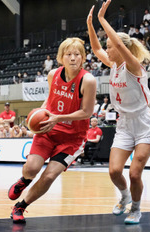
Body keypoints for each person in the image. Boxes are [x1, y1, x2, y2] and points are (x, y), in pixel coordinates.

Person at [87, 0, 150, 224]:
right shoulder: (114, 66)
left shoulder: (134, 67)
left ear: (121, 48)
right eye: (108, 47)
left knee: (134, 173)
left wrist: (102, 20)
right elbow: (95, 48)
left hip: (144, 123)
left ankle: (136, 208)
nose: (107, 50)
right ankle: (125, 196)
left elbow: (118, 46)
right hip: (124, 124)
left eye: (110, 46)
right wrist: (91, 25)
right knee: (114, 171)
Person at [8, 37, 96, 223]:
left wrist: (59, 118)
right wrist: (38, 117)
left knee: (49, 176)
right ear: (61, 57)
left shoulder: (88, 80)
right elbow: (50, 101)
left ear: (83, 57)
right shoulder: (53, 74)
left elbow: (87, 112)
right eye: (69, 54)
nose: (73, 58)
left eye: (77, 54)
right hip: (49, 129)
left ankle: (20, 206)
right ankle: (24, 180)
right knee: (32, 168)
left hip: (72, 138)